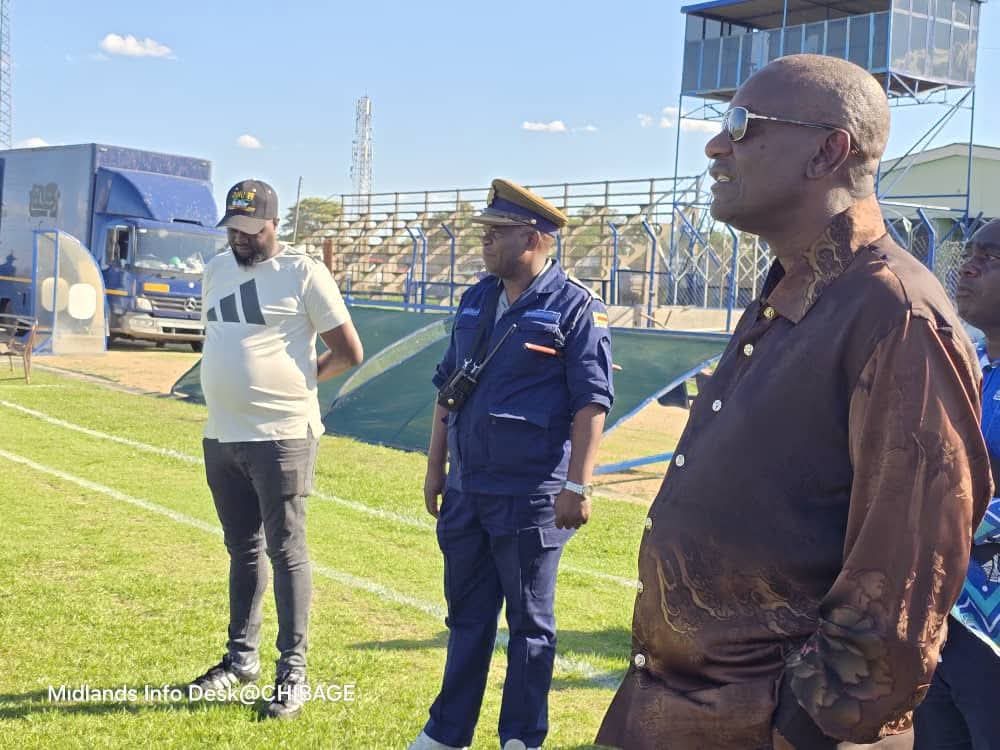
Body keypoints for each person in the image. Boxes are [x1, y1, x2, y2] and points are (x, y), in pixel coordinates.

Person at [596, 54, 992, 749]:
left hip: (760, 727)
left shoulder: (892, 313)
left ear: (827, 151)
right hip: (683, 710)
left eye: (742, 125)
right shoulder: (795, 290)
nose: (718, 145)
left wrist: (804, 731)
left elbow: (902, 579)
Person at [409, 179, 614, 750]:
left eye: (496, 234)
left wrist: (579, 485)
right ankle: (447, 732)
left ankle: (521, 737)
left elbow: (591, 403)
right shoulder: (475, 298)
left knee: (529, 626)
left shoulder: (575, 307)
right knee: (467, 619)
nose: (485, 243)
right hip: (469, 489)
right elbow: (447, 391)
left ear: (534, 237)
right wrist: (435, 469)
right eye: (484, 232)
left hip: (531, 496)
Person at [188, 179, 363, 720]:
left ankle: (294, 673)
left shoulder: (303, 272)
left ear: (271, 224)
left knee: (284, 551)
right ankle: (240, 660)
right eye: (231, 230)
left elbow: (349, 351)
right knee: (241, 548)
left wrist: (299, 382)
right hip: (222, 434)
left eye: (247, 230)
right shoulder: (217, 270)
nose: (238, 239)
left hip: (282, 436)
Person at [913, 220, 1000, 749]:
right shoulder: (970, 368)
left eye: (991, 258)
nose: (967, 266)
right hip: (952, 620)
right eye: (970, 253)